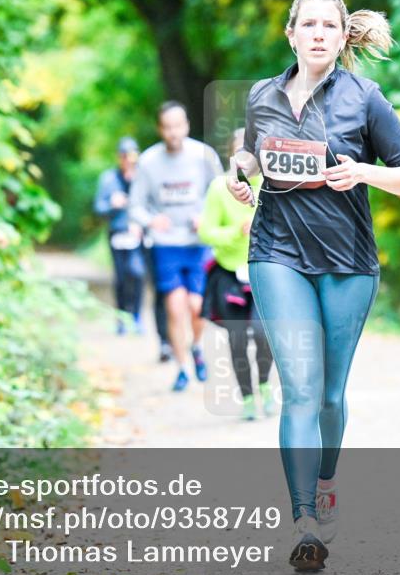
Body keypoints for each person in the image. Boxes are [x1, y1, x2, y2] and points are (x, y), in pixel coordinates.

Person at [228, 0, 400, 571]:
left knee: (332, 396)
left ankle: (328, 479)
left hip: (346, 261)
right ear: (290, 34)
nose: (316, 33)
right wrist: (239, 175)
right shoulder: (262, 95)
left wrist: (364, 171)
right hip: (276, 252)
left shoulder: (366, 98)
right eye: (306, 24)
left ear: (342, 38)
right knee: (301, 389)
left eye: (327, 26)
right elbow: (252, 156)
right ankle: (304, 518)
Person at [129, 101, 224, 392]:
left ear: (186, 126)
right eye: (167, 127)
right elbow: (136, 207)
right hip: (165, 245)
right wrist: (151, 220)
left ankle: (196, 347)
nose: (173, 132)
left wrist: (206, 217)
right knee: (174, 308)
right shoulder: (148, 161)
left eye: (177, 126)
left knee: (197, 307)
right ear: (160, 129)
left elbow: (220, 192)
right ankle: (181, 368)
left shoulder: (203, 155)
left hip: (198, 242)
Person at [199, 128, 275, 421]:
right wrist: (234, 232)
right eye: (239, 152)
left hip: (263, 271)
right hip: (229, 273)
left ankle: (265, 385)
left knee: (262, 331)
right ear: (232, 156)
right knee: (237, 337)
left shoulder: (270, 185)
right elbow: (206, 231)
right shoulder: (220, 188)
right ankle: (246, 396)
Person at [93, 137, 147, 335]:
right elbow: (98, 207)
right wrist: (111, 205)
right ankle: (121, 317)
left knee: (138, 273)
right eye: (124, 156)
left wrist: (142, 224)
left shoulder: (142, 178)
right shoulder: (108, 179)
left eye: (131, 157)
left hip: (137, 234)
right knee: (121, 277)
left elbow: (151, 205)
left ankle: (136, 317)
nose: (128, 161)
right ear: (118, 157)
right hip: (117, 233)